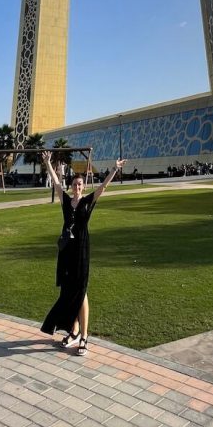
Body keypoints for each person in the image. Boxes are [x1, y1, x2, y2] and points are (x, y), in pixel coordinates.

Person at [40, 151, 125, 356]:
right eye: (75, 185)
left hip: (82, 251)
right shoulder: (66, 202)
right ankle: (74, 331)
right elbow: (56, 182)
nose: (77, 188)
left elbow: (103, 187)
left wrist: (114, 169)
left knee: (81, 290)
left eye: (80, 185)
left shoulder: (88, 201)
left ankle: (84, 337)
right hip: (67, 252)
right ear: (71, 187)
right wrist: (48, 163)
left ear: (83, 187)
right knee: (69, 291)